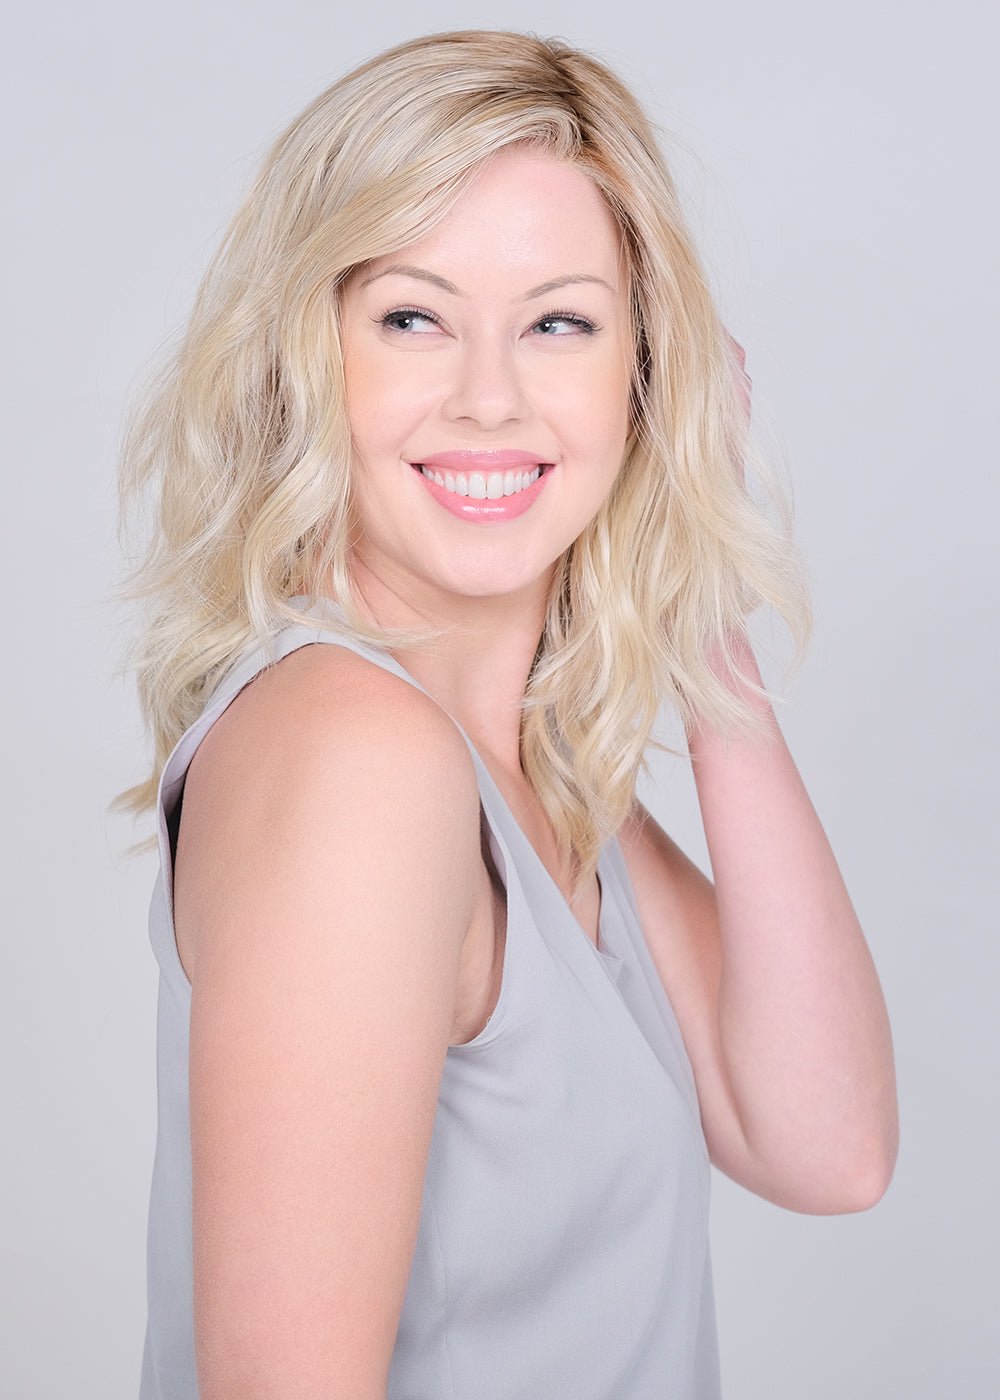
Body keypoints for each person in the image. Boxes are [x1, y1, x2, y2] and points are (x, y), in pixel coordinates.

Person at [113, 28, 898, 1400]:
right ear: (308, 356)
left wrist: (698, 586)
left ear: (644, 378)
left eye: (560, 323)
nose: (489, 396)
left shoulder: (529, 775)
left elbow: (828, 1147)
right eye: (413, 317)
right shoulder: (358, 758)